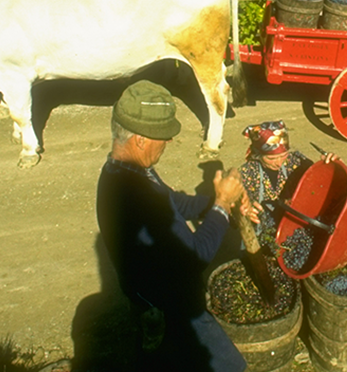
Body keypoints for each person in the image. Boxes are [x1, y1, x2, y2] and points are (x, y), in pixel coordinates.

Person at [95, 80, 257, 372]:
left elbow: (176, 204)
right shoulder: (134, 194)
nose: (168, 142)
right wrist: (221, 205)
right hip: (174, 310)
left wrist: (218, 202)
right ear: (140, 140)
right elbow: (194, 257)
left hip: (152, 299)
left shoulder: (127, 171)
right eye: (163, 136)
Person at [237, 120, 335, 244]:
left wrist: (329, 167)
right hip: (263, 234)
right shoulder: (247, 172)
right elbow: (236, 203)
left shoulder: (297, 162)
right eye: (271, 158)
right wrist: (246, 206)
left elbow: (318, 183)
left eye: (283, 155)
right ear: (258, 154)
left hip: (295, 228)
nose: (279, 162)